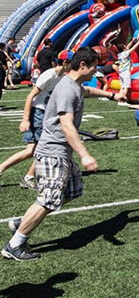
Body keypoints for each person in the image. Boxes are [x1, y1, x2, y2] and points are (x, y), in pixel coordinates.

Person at [2, 47, 125, 261]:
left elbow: (87, 92)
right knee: (48, 199)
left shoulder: (73, 84)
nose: (96, 71)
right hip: (54, 152)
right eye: (94, 66)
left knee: (71, 192)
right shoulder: (67, 89)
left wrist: (112, 95)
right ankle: (15, 245)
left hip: (61, 154)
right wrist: (85, 154)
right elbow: (67, 125)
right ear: (83, 66)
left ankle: (23, 221)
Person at [0, 50, 74, 190]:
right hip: (37, 113)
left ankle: (12, 172)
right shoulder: (49, 75)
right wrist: (25, 119)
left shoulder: (62, 77)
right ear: (65, 63)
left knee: (32, 150)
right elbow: (30, 96)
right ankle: (28, 177)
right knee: (41, 149)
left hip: (45, 114)